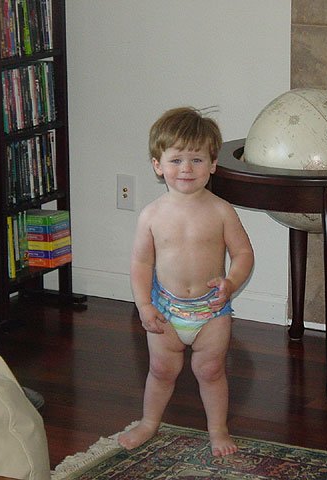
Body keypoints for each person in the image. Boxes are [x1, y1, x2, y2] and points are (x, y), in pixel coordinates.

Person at [118, 107, 254, 457]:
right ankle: (149, 422)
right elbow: (141, 263)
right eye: (176, 160)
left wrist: (231, 282)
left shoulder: (221, 211)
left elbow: (243, 253)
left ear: (213, 164)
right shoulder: (151, 215)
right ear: (157, 165)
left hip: (212, 310)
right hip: (165, 308)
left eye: (197, 160)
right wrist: (144, 305)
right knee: (161, 370)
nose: (186, 169)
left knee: (211, 370)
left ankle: (218, 429)